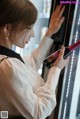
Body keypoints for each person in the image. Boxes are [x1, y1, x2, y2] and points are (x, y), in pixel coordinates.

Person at [0, 0, 69, 119]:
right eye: (29, 27)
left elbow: (31, 63)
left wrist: (50, 32)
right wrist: (55, 70)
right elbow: (39, 112)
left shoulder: (7, 59)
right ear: (8, 28)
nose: (32, 34)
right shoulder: (8, 65)